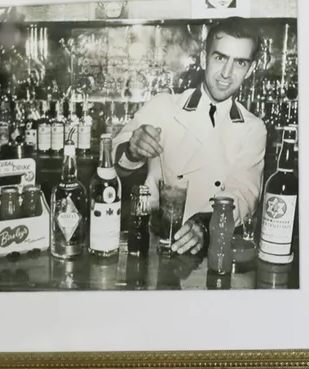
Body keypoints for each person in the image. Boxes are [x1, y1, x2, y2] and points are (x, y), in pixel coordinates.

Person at [114, 18, 268, 255]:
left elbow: (244, 194)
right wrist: (132, 150)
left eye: (239, 63)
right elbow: (113, 164)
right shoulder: (164, 107)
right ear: (203, 59)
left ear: (250, 70)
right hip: (154, 244)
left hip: (212, 247)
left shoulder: (252, 129)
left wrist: (205, 225)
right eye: (220, 58)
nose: (226, 74)